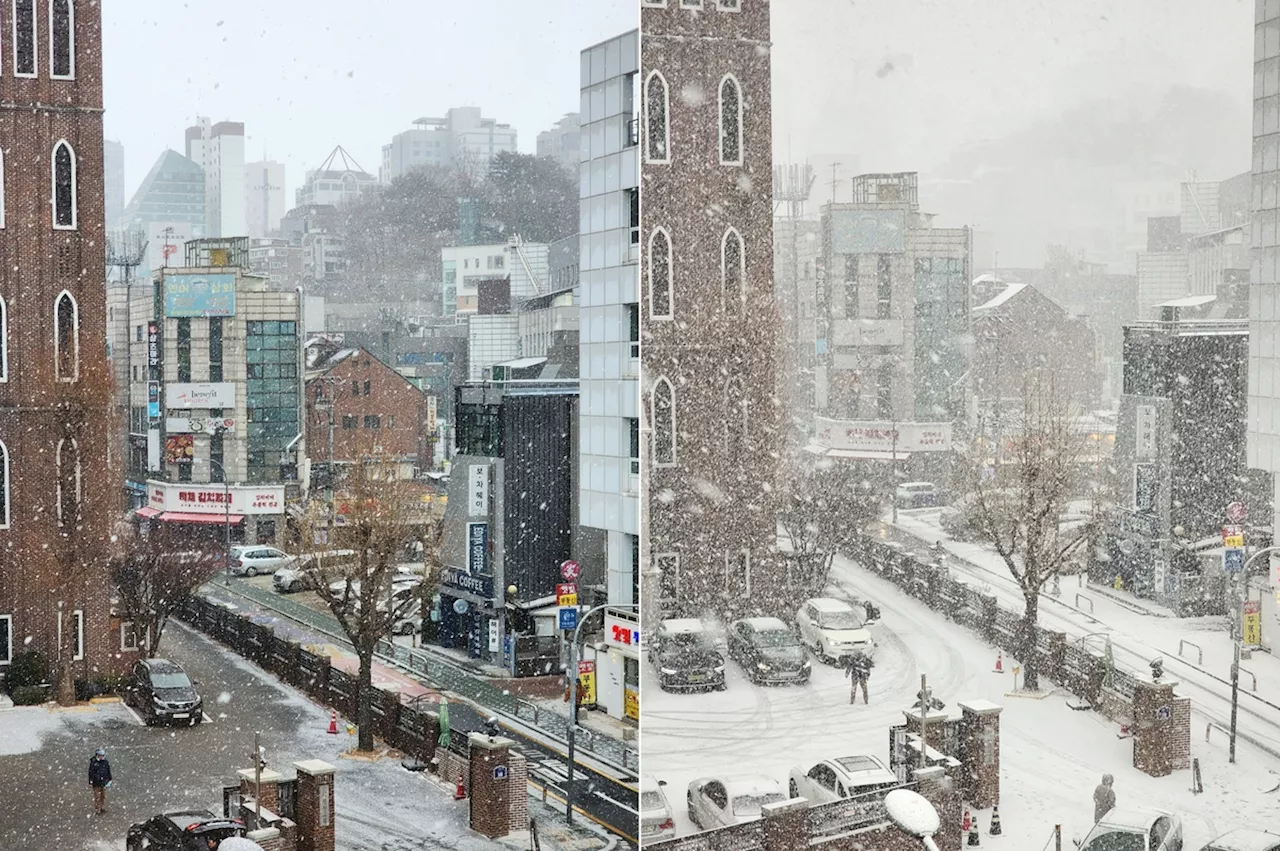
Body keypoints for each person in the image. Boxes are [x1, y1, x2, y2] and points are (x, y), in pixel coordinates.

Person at [88, 747, 112, 815]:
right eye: (101, 755)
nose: (102, 757)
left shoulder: (105, 762)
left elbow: (108, 771)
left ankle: (101, 807)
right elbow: (91, 773)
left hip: (103, 782)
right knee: (97, 797)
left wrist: (109, 779)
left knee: (103, 796)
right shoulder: (93, 763)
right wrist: (90, 782)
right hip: (96, 782)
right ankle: (97, 809)